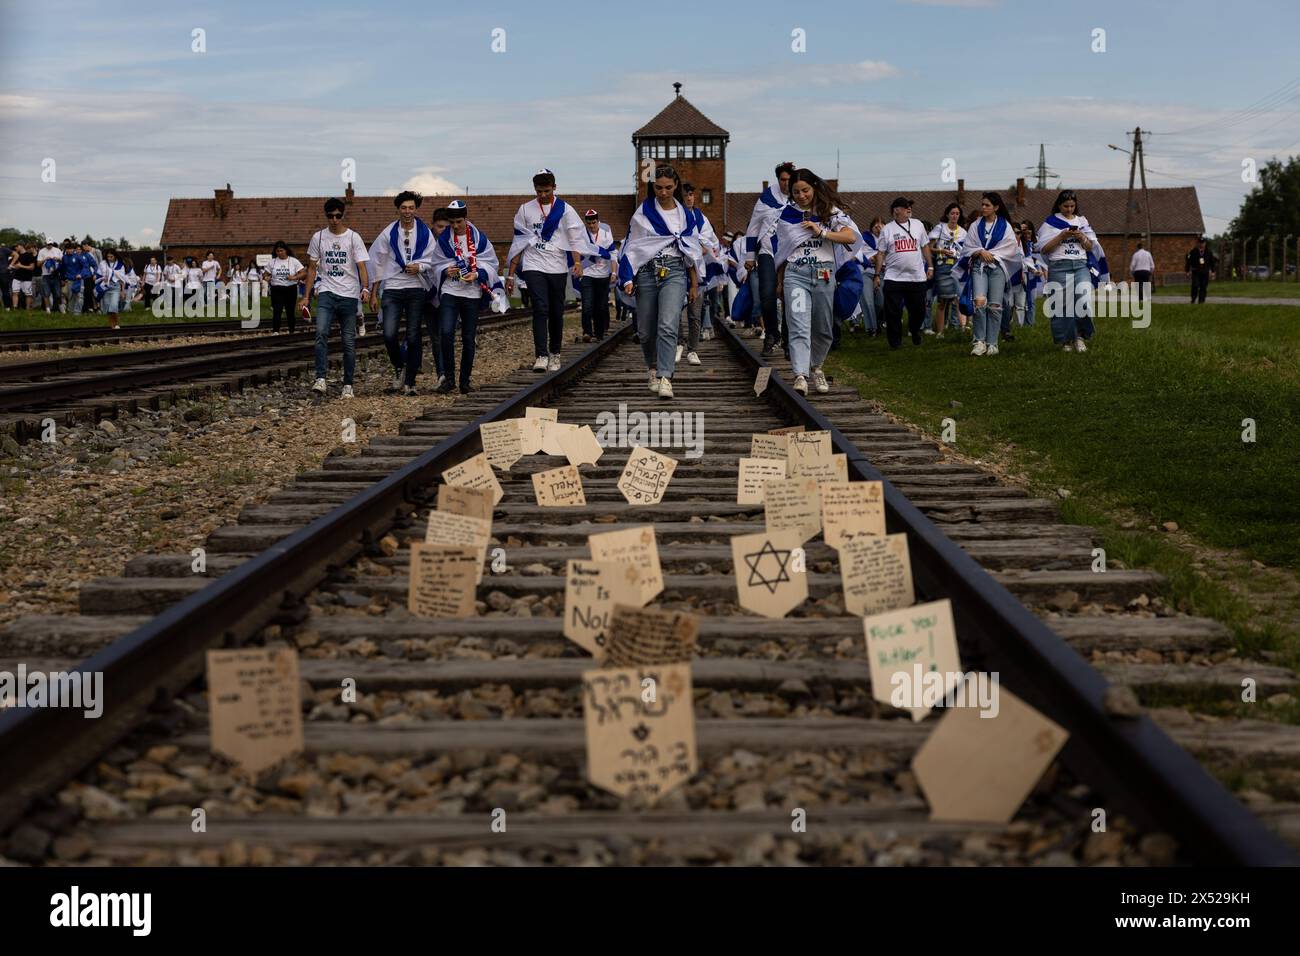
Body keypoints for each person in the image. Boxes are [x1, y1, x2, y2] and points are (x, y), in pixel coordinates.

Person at [772, 168, 862, 394]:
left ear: (814, 188)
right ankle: (800, 374)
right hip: (796, 274)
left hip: (823, 275)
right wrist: (780, 281)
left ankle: (816, 367)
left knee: (822, 328)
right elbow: (783, 252)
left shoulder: (830, 213)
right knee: (798, 325)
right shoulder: (786, 216)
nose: (801, 196)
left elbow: (850, 237)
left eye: (805, 190)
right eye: (796, 192)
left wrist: (821, 232)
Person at [618, 164, 701, 399]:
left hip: (674, 271)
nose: (663, 193)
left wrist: (694, 284)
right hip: (646, 272)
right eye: (658, 188)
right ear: (652, 187)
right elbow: (631, 246)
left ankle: (666, 376)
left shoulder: (686, 215)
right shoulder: (642, 214)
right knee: (645, 331)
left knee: (667, 323)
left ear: (676, 187)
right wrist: (628, 277)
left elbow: (691, 250)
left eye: (668, 188)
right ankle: (653, 368)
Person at [505, 169, 594, 372]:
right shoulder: (525, 210)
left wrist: (578, 263)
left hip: (557, 267)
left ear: (554, 187)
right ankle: (541, 355)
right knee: (540, 308)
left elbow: (575, 239)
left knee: (555, 311)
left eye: (546, 191)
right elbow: (519, 242)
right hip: (533, 265)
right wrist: (510, 274)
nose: (543, 195)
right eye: (539, 191)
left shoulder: (565, 210)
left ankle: (555, 353)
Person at [429, 200, 503, 395]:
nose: (454, 226)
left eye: (458, 222)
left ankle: (465, 381)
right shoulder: (444, 240)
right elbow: (435, 264)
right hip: (450, 292)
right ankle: (449, 379)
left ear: (465, 218)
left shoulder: (479, 239)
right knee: (446, 333)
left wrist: (477, 274)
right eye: (451, 222)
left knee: (469, 337)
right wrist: (446, 270)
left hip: (471, 293)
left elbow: (491, 263)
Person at [368, 190, 436, 394]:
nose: (407, 212)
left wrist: (420, 267)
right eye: (404, 208)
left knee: (414, 336)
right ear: (398, 209)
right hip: (393, 288)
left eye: (411, 208)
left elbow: (434, 258)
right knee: (389, 334)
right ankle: (399, 367)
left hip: (415, 288)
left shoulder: (424, 232)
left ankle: (410, 382)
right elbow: (378, 262)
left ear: (416, 209)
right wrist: (373, 292)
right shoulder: (389, 233)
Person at [302, 198, 370, 397]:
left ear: (343, 215)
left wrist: (365, 288)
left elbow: (361, 266)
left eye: (338, 216)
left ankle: (348, 384)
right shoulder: (319, 237)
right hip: (326, 292)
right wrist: (306, 296)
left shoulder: (353, 238)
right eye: (330, 216)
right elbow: (312, 268)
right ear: (326, 216)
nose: (334, 219)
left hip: (348, 294)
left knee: (348, 341)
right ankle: (320, 378)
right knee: (321, 332)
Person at [952, 192, 1022, 357]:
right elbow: (968, 247)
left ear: (996, 207)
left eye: (987, 205)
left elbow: (1012, 248)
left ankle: (992, 343)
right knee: (979, 303)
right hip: (979, 268)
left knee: (995, 306)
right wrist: (980, 251)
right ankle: (979, 342)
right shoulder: (976, 225)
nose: (983, 208)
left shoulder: (1005, 226)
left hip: (997, 269)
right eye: (982, 204)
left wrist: (994, 255)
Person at [1037, 189, 1104, 352]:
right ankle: (1066, 340)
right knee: (1062, 305)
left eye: (1072, 206)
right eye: (1066, 206)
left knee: (1083, 299)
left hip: (1080, 265)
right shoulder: (1050, 222)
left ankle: (1080, 337)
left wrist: (1081, 237)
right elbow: (1044, 249)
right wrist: (1061, 236)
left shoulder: (1082, 221)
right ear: (1059, 205)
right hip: (1059, 266)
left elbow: (1090, 247)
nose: (1069, 209)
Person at [741, 161, 796, 357]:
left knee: (790, 296)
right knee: (766, 295)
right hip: (767, 252)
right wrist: (749, 256)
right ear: (778, 180)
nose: (786, 184)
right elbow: (753, 227)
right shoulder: (766, 198)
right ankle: (773, 334)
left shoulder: (800, 197)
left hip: (791, 253)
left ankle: (789, 341)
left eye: (789, 180)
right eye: (782, 180)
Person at [874, 197, 934, 349]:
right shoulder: (887, 229)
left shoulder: (918, 224)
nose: (909, 209)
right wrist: (877, 275)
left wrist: (931, 267)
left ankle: (914, 330)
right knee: (893, 312)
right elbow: (880, 253)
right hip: (894, 277)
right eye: (905, 207)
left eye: (909, 207)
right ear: (896, 210)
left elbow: (925, 247)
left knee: (919, 310)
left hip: (917, 277)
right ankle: (895, 342)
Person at [679, 183, 723, 365]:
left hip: (697, 270)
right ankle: (678, 343)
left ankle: (693, 350)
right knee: (673, 311)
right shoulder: (674, 216)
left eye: (691, 194)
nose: (689, 198)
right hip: (678, 270)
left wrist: (705, 247)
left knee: (695, 313)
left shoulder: (700, 217)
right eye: (686, 195)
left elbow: (710, 239)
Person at [578, 208, 617, 342]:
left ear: (598, 222)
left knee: (601, 306)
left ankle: (599, 333)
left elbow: (612, 254)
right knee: (587, 304)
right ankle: (587, 332)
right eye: (589, 223)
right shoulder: (582, 235)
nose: (592, 226)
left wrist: (613, 272)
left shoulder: (606, 234)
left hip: (603, 274)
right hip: (587, 273)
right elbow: (576, 250)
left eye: (594, 223)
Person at [927, 204, 965, 337]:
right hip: (942, 266)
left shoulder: (963, 232)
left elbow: (965, 250)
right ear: (947, 214)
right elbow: (929, 247)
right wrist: (941, 250)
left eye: (957, 213)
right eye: (952, 213)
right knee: (942, 300)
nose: (955, 216)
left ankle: (962, 327)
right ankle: (940, 331)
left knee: (959, 298)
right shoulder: (940, 228)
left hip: (957, 266)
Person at [1009, 221, 1046, 327]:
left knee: (1021, 303)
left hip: (1023, 276)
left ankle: (1021, 326)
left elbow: (1028, 261)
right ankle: (1007, 325)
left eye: (1018, 233)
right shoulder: (1006, 245)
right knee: (1009, 304)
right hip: (1008, 277)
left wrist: (1034, 270)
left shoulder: (1025, 246)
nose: (1016, 235)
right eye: (1014, 233)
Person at [263, 241, 305, 333]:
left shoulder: (293, 261)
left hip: (290, 289)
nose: (279, 253)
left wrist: (294, 277)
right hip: (277, 289)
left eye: (281, 251)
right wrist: (267, 277)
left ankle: (291, 331)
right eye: (277, 251)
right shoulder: (272, 262)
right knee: (277, 310)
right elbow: (265, 274)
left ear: (286, 250)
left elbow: (303, 273)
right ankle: (276, 331)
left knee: (290, 311)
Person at [95, 247, 127, 329]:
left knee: (113, 306)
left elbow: (122, 279)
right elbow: (98, 275)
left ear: (115, 256)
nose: (109, 258)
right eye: (108, 256)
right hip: (105, 287)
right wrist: (101, 278)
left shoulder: (120, 265)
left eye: (111, 257)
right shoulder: (103, 263)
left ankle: (116, 323)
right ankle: (111, 325)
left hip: (115, 287)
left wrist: (122, 291)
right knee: (108, 308)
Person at [58, 241, 88, 316]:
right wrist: (62, 279)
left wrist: (81, 274)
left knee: (79, 296)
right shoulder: (64, 257)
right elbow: (62, 269)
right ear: (66, 249)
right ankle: (71, 311)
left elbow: (85, 267)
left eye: (71, 249)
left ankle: (77, 313)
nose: (69, 250)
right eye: (68, 249)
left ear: (73, 249)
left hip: (78, 280)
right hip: (69, 280)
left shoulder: (78, 256)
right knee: (71, 296)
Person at [1184, 237, 1216, 304]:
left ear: (1205, 243)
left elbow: (1212, 262)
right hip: (1196, 271)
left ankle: (1201, 300)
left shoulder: (1209, 252)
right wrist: (1187, 271)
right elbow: (1188, 262)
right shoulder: (1193, 252)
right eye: (1200, 243)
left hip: (1205, 272)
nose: (1201, 244)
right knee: (1195, 285)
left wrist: (1213, 272)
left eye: (1203, 243)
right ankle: (1193, 298)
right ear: (1198, 243)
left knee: (1203, 286)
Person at [37, 241, 62, 313]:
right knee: (46, 293)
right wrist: (45, 259)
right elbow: (38, 264)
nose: (49, 245)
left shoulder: (57, 250)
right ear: (46, 244)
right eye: (48, 244)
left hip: (55, 275)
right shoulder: (42, 251)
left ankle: (58, 308)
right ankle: (48, 309)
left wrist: (57, 259)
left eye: (50, 244)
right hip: (45, 275)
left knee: (57, 294)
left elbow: (62, 261)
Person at [10, 244, 36, 309]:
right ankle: (15, 308)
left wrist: (21, 266)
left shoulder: (29, 255)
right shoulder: (16, 256)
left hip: (27, 278)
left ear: (21, 246)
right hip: (17, 277)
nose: (16, 248)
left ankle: (27, 309)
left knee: (28, 294)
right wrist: (14, 267)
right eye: (15, 247)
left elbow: (32, 267)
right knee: (15, 292)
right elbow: (13, 266)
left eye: (17, 246)